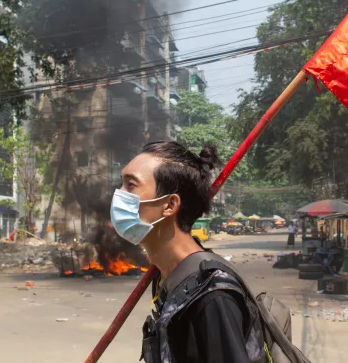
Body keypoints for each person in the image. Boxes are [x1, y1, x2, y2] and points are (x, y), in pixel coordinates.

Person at [113, 141, 266, 363]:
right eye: (121, 183)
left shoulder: (212, 295)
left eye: (130, 185)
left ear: (169, 205)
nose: (118, 194)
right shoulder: (166, 276)